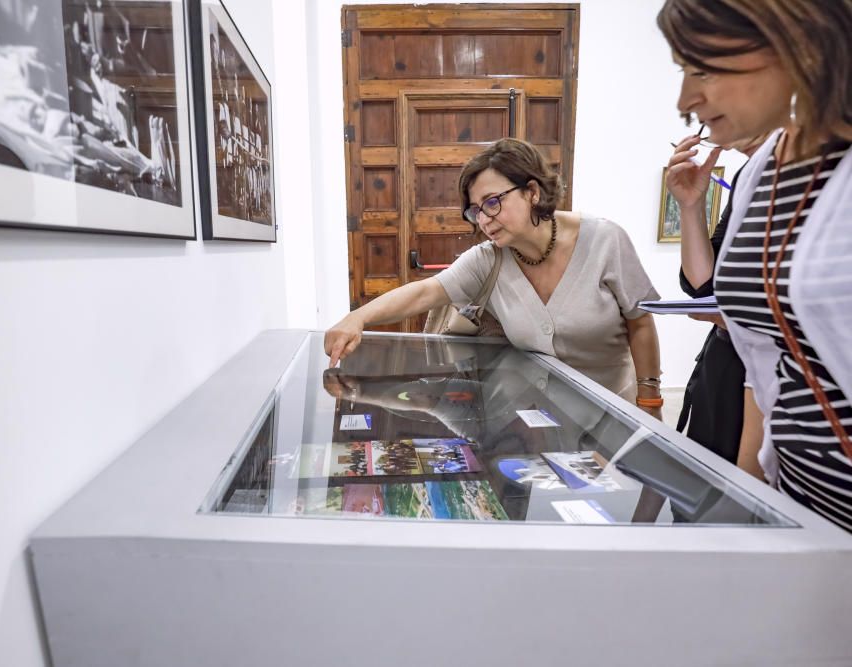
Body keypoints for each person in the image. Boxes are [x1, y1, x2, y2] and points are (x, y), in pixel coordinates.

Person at [658, 0, 852, 531]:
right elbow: (766, 359)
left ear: (795, 43)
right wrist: (751, 490)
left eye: (703, 69)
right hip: (801, 509)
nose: (686, 99)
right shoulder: (765, 168)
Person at [325, 138, 664, 418]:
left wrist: (650, 402)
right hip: (534, 421)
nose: (484, 219)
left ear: (532, 191)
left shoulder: (605, 240)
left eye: (492, 203)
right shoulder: (489, 259)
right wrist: (358, 317)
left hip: (611, 415)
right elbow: (425, 292)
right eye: (475, 210)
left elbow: (641, 321)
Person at [665, 132, 765, 463]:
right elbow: (704, 287)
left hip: (787, 373)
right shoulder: (752, 174)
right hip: (727, 363)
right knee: (708, 494)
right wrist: (691, 206)